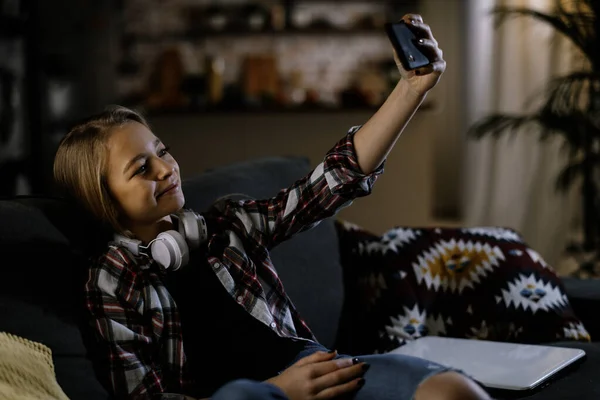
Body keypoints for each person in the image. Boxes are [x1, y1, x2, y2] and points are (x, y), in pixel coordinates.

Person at [53, 14, 492, 400]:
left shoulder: (226, 224)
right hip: (241, 397)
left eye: (162, 151)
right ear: (103, 196)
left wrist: (411, 89)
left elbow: (330, 184)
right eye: (140, 168)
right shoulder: (109, 280)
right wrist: (277, 393)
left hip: (314, 370)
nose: (165, 169)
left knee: (451, 389)